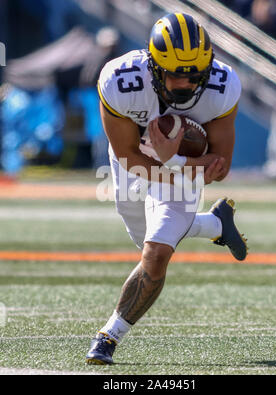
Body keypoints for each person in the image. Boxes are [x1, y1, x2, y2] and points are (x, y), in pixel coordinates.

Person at [86, 12, 248, 365]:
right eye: (175, 74)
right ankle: (217, 224)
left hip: (182, 168)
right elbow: (129, 156)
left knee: (156, 253)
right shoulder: (120, 80)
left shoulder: (222, 87)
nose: (184, 85)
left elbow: (219, 167)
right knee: (143, 233)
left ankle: (109, 336)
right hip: (134, 159)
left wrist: (175, 161)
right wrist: (167, 160)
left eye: (194, 76)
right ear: (154, 66)